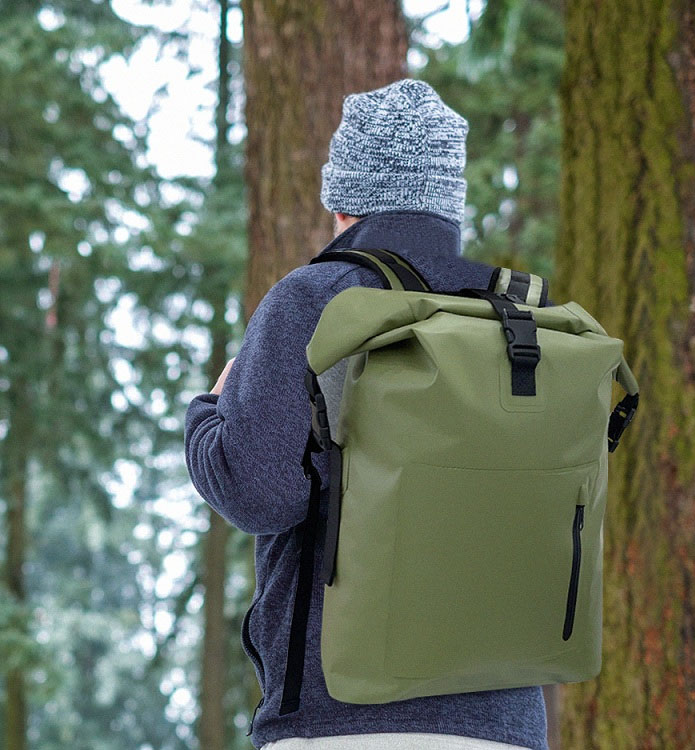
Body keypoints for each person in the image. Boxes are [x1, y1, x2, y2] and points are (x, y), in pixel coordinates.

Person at [184, 78, 548, 750]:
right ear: (449, 203)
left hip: (345, 718)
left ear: (343, 200)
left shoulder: (315, 299)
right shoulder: (518, 320)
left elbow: (259, 491)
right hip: (508, 723)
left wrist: (207, 415)